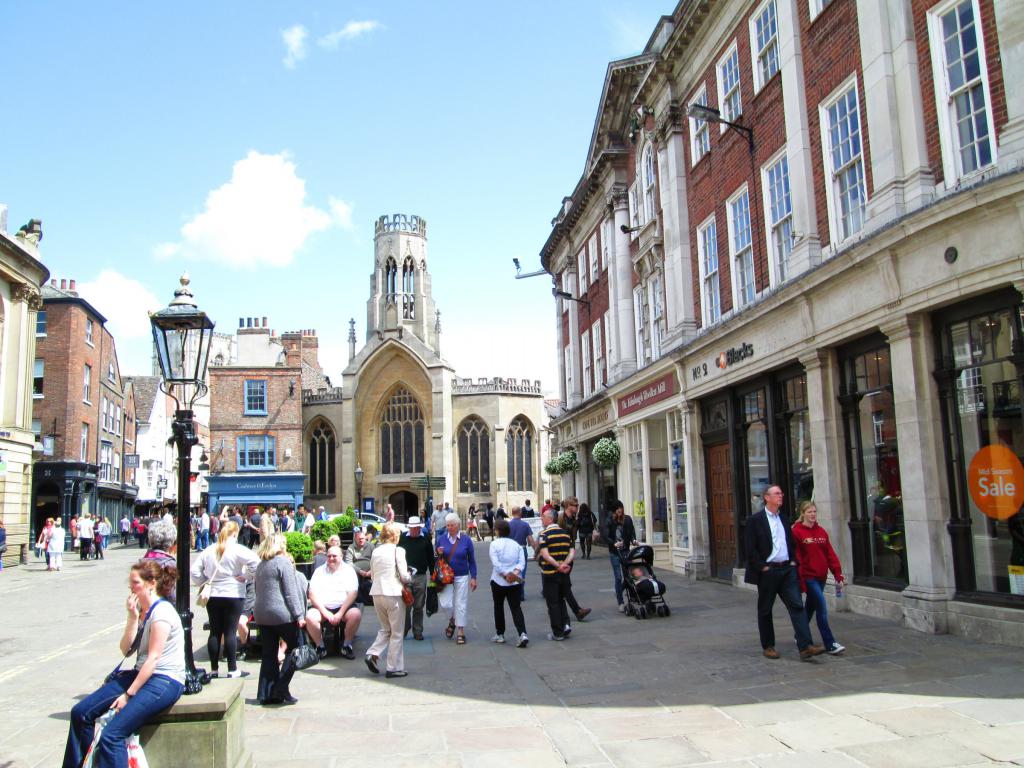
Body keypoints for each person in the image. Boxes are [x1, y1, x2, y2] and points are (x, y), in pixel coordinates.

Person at [63, 560, 184, 768]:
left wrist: (128, 695)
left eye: (135, 583)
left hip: (165, 680)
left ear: (151, 583)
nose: (131, 588)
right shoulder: (144, 611)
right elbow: (126, 649)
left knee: (112, 736)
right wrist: (132, 617)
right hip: (142, 673)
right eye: (130, 584)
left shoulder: (162, 613)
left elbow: (153, 658)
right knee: (80, 713)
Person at [744, 485, 823, 661]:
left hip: (787, 569)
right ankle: (768, 645)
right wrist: (762, 567)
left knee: (797, 606)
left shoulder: (785, 519)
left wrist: (793, 561)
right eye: (777, 493)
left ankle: (805, 646)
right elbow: (750, 549)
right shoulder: (755, 520)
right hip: (768, 571)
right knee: (765, 609)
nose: (781, 496)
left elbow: (791, 543)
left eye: (781, 493)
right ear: (767, 497)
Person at [190, 521, 259, 678]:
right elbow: (256, 563)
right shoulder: (238, 549)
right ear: (235, 533)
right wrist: (246, 577)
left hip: (213, 594)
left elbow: (194, 572)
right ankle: (232, 669)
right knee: (229, 631)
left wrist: (204, 581)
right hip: (233, 592)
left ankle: (214, 669)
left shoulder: (209, 550)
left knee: (215, 631)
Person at [253, 533, 306, 705]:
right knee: (295, 649)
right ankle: (280, 687)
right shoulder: (283, 562)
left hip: (262, 614)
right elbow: (290, 593)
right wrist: (299, 615)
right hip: (281, 614)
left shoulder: (261, 565)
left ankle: (266, 694)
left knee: (269, 654)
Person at [792, 500, 846, 655]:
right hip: (809, 577)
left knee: (810, 607)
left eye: (814, 511)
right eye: (809, 512)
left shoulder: (821, 531)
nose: (813, 515)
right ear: (802, 514)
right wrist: (800, 579)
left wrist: (838, 574)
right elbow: (798, 557)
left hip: (821, 575)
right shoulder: (796, 532)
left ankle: (799, 634)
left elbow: (830, 554)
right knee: (821, 607)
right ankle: (830, 643)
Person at [365, 523, 412, 678]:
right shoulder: (398, 550)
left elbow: (372, 574)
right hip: (393, 592)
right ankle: (393, 667)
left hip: (377, 593)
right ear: (395, 536)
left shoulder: (376, 551)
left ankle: (372, 653)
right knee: (397, 632)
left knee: (386, 628)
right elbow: (404, 576)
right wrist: (410, 577)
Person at [305, 545, 362, 659]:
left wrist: (340, 613)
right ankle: (320, 647)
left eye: (334, 556)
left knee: (356, 614)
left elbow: (353, 593)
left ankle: (346, 645)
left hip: (344, 607)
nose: (331, 558)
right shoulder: (319, 571)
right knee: (310, 616)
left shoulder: (349, 570)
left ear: (341, 557)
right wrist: (326, 613)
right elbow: (312, 593)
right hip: (323, 607)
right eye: (329, 556)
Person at [436, 512, 477, 644]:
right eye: (448, 525)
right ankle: (453, 619)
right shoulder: (441, 539)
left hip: (462, 575)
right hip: (446, 577)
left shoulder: (466, 540)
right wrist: (438, 553)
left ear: (458, 525)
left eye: (452, 525)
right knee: (446, 603)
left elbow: (472, 560)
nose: (450, 528)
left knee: (461, 603)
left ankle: (460, 631)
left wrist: (473, 577)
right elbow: (436, 557)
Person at [489, 519, 528, 647]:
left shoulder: (494, 544)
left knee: (498, 607)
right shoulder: (516, 545)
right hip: (514, 582)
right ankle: (522, 633)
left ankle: (500, 634)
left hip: (498, 580)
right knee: (516, 607)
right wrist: (514, 574)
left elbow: (496, 564)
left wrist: (506, 575)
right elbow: (521, 562)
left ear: (498, 531)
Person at [537, 509, 574, 641]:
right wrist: (564, 564)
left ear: (550, 519)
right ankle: (565, 625)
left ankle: (557, 632)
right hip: (563, 573)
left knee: (552, 603)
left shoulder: (544, 535)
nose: (541, 519)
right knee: (561, 600)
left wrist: (558, 565)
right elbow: (572, 552)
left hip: (550, 573)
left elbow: (545, 555)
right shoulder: (565, 534)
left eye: (543, 517)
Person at [398, 516, 434, 641]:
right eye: (412, 528)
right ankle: (404, 629)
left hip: (421, 576)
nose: (415, 530)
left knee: (419, 605)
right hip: (406, 576)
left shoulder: (425, 538)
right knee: (406, 605)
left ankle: (418, 631)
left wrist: (433, 574)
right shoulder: (402, 538)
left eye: (417, 528)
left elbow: (430, 557)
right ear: (409, 528)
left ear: (419, 527)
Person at [557, 498, 591, 623]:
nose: (577, 506)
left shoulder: (574, 519)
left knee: (563, 586)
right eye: (574, 505)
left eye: (577, 505)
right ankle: (577, 611)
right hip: (560, 555)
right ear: (567, 506)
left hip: (569, 555)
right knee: (565, 585)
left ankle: (559, 610)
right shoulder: (560, 518)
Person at [603, 500, 637, 612]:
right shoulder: (609, 521)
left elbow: (631, 532)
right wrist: (613, 543)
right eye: (617, 508)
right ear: (613, 510)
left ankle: (627, 595)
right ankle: (620, 602)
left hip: (626, 551)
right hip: (615, 553)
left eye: (621, 508)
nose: (619, 510)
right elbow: (606, 535)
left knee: (628, 576)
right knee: (618, 577)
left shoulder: (627, 519)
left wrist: (633, 540)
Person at [507, 506, 536, 602]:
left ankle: (512, 593)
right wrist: (537, 551)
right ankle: (520, 593)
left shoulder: (508, 525)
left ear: (512, 513)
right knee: (521, 573)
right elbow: (531, 541)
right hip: (522, 550)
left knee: (512, 571)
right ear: (520, 513)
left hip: (510, 550)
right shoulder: (525, 525)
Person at [344, 530, 376, 605]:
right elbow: (348, 563)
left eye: (362, 538)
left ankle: (374, 598)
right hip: (357, 570)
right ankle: (355, 597)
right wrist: (360, 571)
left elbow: (376, 559)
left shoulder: (371, 546)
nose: (361, 540)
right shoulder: (351, 548)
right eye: (359, 539)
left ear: (365, 538)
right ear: (355, 539)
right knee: (351, 574)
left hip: (371, 569)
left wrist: (372, 571)